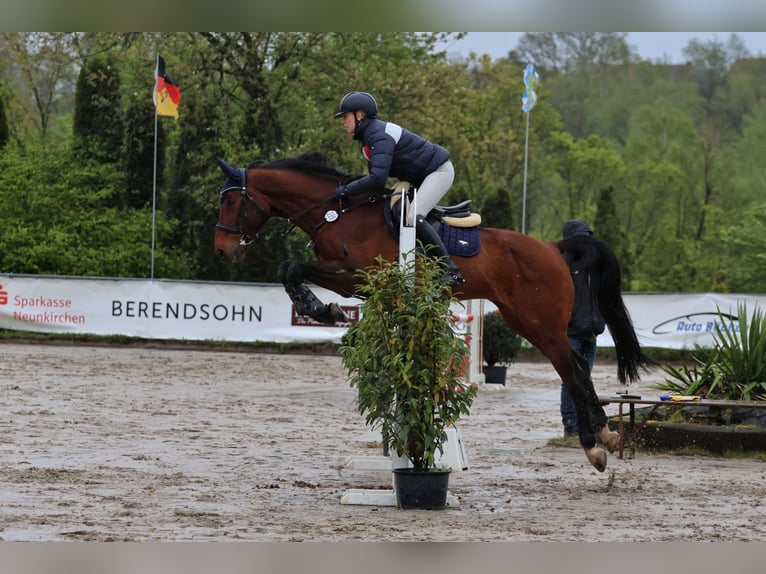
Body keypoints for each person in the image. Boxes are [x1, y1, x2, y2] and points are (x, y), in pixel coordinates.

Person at [333, 91, 464, 286]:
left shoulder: (378, 136)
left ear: (359, 115)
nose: (343, 122)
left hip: (438, 171)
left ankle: (450, 270)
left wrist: (347, 190)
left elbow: (377, 179)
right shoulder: (368, 139)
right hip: (418, 177)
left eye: (345, 116)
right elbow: (376, 186)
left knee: (414, 216)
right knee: (392, 205)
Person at [560, 219, 606, 438]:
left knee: (585, 379)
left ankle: (581, 423)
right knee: (571, 379)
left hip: (591, 332)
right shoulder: (562, 265)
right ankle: (571, 424)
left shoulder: (597, 264)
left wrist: (600, 322)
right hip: (571, 333)